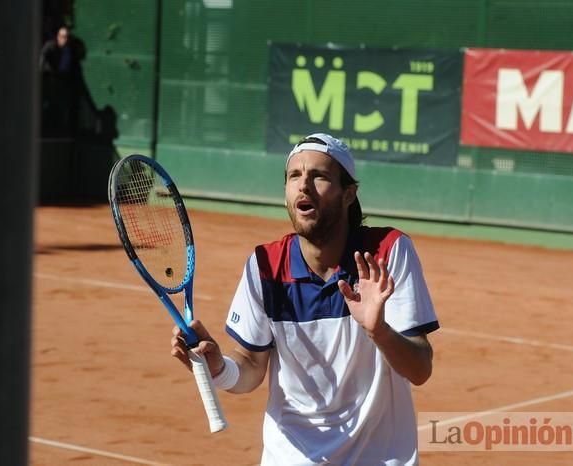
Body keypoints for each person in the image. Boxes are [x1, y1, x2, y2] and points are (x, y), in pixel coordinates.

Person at [171, 133, 439, 465]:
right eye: (294, 176)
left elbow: (420, 369)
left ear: (348, 194)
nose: (304, 186)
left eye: (319, 176)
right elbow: (252, 367)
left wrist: (379, 331)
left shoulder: (386, 253)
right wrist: (218, 367)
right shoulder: (265, 265)